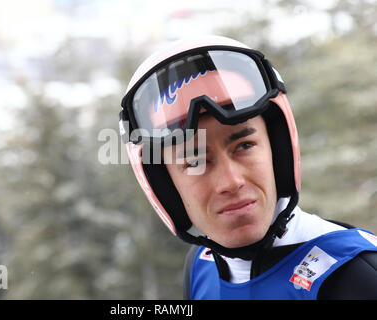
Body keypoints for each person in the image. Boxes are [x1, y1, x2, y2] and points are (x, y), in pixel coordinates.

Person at [118, 35, 377, 299]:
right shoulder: (201, 266)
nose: (231, 182)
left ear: (277, 151)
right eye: (195, 161)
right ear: (169, 187)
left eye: (244, 146)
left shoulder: (356, 275)